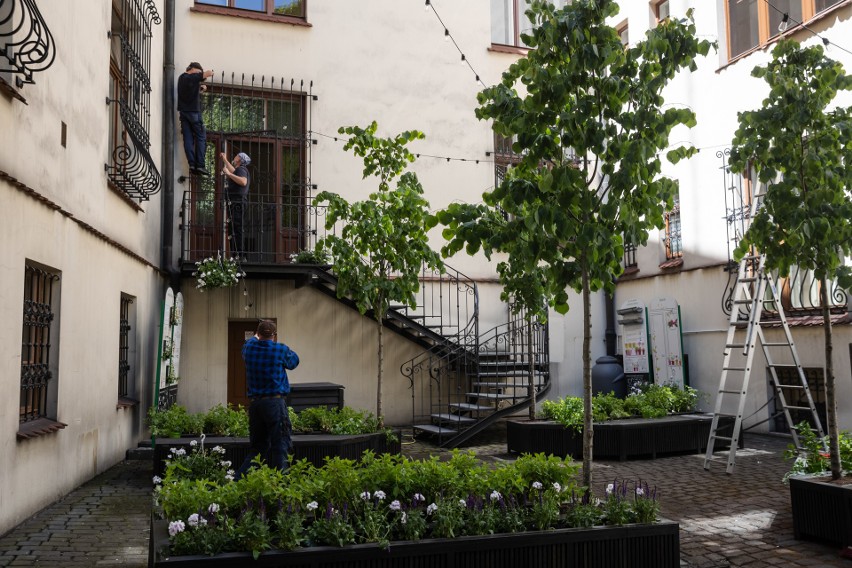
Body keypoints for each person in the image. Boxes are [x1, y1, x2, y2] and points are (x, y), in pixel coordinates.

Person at [234, 320, 299, 480]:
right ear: (274, 335)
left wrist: (256, 335)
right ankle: (281, 485)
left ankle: (238, 481)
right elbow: (294, 362)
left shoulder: (249, 348)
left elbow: (250, 342)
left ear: (258, 333)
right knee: (281, 445)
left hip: (256, 405)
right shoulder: (280, 349)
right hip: (275, 404)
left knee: (258, 449)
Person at [177, 62, 214, 176]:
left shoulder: (182, 79)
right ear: (193, 69)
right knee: (201, 137)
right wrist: (208, 73)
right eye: (198, 72)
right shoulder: (189, 77)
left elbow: (190, 93)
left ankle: (192, 164)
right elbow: (206, 73)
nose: (199, 75)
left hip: (184, 113)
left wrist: (200, 90)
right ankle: (200, 165)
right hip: (194, 113)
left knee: (188, 139)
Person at [221, 151, 251, 258]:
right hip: (236, 203)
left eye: (237, 155)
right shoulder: (239, 170)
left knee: (237, 229)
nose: (235, 156)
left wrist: (228, 174)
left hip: (238, 203)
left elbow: (243, 182)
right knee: (235, 229)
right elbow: (233, 171)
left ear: (240, 159)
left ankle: (239, 255)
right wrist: (225, 160)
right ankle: (237, 254)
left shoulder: (242, 169)